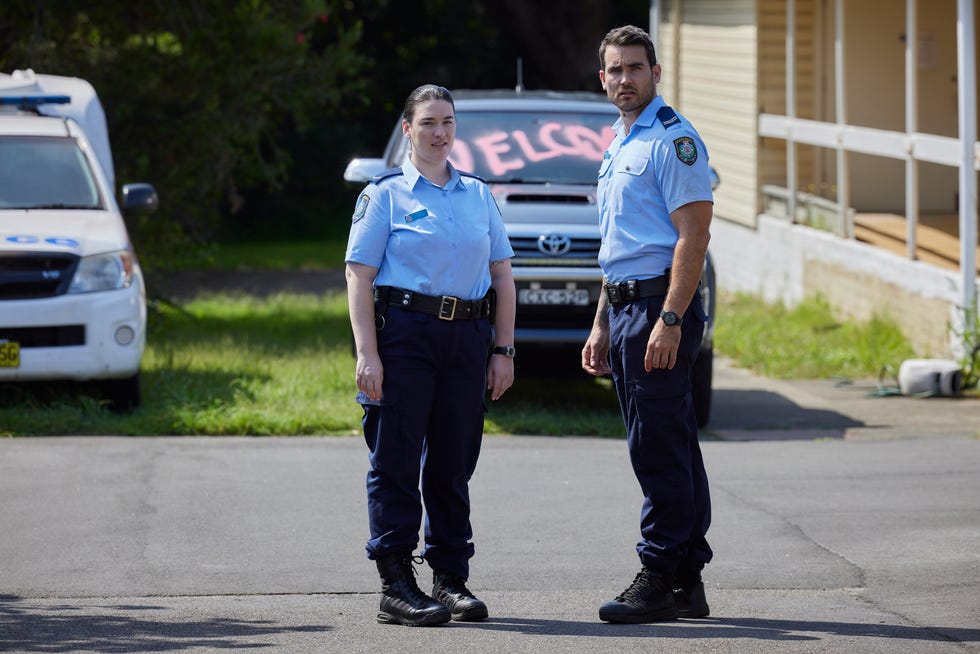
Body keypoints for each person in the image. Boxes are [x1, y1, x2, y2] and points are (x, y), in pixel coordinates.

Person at [345, 84, 517, 627]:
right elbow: (358, 275)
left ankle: (449, 580)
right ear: (407, 131)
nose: (440, 132)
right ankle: (396, 583)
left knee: (452, 463)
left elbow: (503, 277)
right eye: (428, 123)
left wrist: (503, 350)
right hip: (405, 337)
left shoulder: (477, 194)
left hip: (466, 339)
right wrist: (367, 354)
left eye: (447, 122)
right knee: (395, 459)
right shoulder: (385, 194)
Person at [582, 25, 714, 624]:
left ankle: (659, 572)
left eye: (636, 67)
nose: (625, 79)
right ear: (602, 77)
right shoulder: (619, 141)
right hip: (628, 306)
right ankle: (687, 577)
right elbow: (620, 246)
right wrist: (602, 322)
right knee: (672, 441)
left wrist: (670, 319)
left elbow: (693, 235)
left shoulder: (672, 139)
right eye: (615, 69)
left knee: (657, 446)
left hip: (660, 308)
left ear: (655, 74)